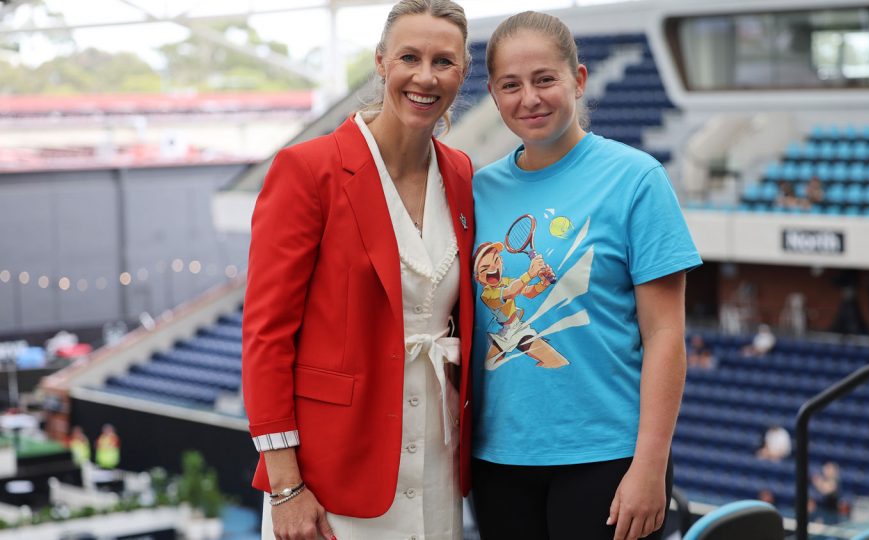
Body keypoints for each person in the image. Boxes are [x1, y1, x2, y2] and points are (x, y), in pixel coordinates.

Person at [241, 2, 475, 539]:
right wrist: (286, 489)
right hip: (332, 478)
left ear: (462, 74)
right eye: (409, 57)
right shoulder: (309, 169)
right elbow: (265, 337)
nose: (425, 76)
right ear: (380, 63)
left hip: (436, 464)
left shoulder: (461, 173)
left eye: (444, 61)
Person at [470, 11, 702, 540]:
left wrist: (649, 466)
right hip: (498, 463)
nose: (529, 98)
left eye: (545, 79)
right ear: (494, 94)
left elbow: (665, 335)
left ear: (578, 80)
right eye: (511, 85)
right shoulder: (477, 190)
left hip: (608, 458)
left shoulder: (637, 178)